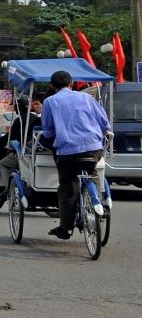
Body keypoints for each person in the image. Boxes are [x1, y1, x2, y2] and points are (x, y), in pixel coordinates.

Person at [40, 70, 110, 240]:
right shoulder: (86, 98)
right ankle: (96, 199)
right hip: (94, 148)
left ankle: (66, 227)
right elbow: (104, 123)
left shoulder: (50, 101)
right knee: (91, 173)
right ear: (71, 84)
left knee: (67, 186)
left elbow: (48, 132)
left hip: (68, 152)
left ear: (52, 86)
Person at [0, 94, 44, 193]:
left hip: (26, 154)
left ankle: (7, 190)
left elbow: (9, 137)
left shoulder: (19, 120)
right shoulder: (35, 118)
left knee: (2, 163)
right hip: (37, 152)